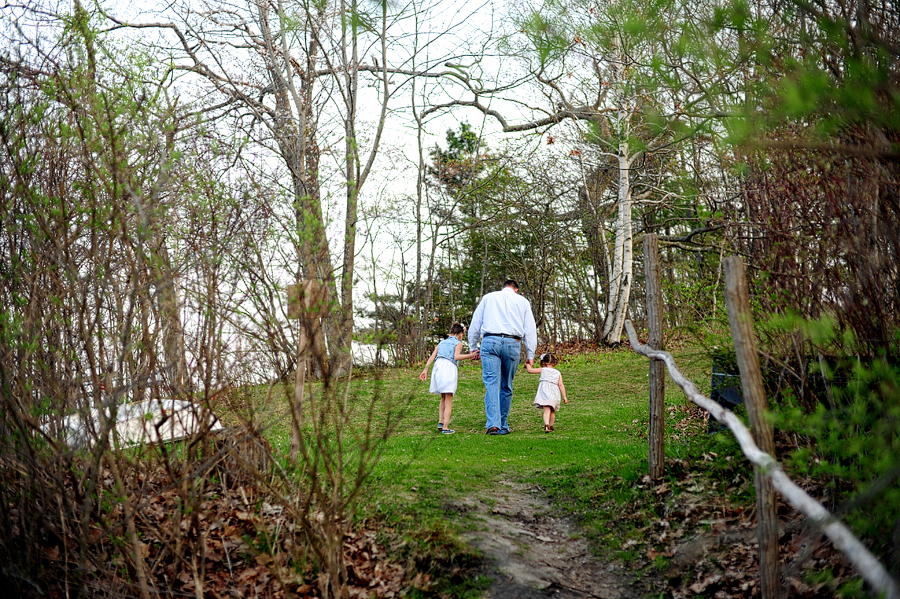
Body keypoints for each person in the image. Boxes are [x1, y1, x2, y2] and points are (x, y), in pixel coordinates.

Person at [468, 279, 537, 435]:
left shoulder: (488, 297)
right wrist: (530, 354)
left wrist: (473, 347)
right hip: (513, 343)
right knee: (507, 385)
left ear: (502, 288)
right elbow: (530, 329)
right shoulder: (523, 302)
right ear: (516, 290)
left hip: (490, 341)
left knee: (492, 384)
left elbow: (475, 323)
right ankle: (503, 425)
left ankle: (493, 425)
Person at [420, 323, 478, 434]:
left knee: (443, 397)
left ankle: (441, 421)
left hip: (438, 368)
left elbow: (432, 357)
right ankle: (445, 427)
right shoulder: (458, 343)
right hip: (448, 368)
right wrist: (471, 355)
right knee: (449, 398)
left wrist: (425, 370)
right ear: (461, 334)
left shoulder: (441, 343)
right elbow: (456, 357)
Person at [525, 353, 568, 433]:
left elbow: (530, 370)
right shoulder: (558, 373)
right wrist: (564, 396)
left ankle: (546, 425)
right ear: (555, 363)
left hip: (545, 392)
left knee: (546, 410)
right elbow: (561, 385)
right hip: (554, 393)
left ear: (544, 362)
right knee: (552, 410)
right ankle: (551, 426)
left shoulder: (543, 369)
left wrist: (527, 364)